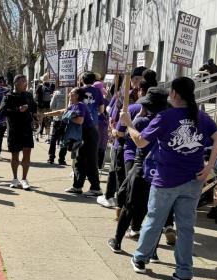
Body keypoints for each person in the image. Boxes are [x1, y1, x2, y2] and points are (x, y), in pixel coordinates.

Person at [120, 76, 217, 280]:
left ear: (174, 94)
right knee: (186, 227)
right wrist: (209, 166)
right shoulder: (201, 117)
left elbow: (140, 142)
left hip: (166, 179)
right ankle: (184, 271)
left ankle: (140, 258)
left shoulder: (166, 117)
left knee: (154, 221)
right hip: (193, 179)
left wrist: (128, 124)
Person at [108, 86, 169, 253]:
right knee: (154, 213)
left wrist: (128, 123)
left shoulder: (142, 122)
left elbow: (136, 140)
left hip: (141, 168)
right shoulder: (168, 122)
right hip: (160, 171)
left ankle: (117, 241)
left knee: (129, 206)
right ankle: (153, 250)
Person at [99, 68, 147, 207]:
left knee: (123, 176)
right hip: (124, 142)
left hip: (132, 144)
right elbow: (113, 116)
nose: (137, 83)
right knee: (117, 171)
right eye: (135, 79)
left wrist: (116, 130)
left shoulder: (149, 100)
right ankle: (112, 198)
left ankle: (122, 206)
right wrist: (114, 129)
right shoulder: (122, 96)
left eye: (140, 80)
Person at [69, 72, 104, 195]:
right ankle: (77, 185)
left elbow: (78, 119)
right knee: (79, 159)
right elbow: (101, 109)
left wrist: (68, 117)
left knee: (90, 160)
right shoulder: (98, 91)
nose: (70, 96)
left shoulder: (80, 98)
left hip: (88, 130)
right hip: (89, 127)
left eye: (72, 95)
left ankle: (96, 188)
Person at [3, 75, 36, 189]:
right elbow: (3, 111)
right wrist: (18, 110)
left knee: (27, 154)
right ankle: (15, 178)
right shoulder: (8, 96)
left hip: (27, 129)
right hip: (14, 129)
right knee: (15, 155)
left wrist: (37, 115)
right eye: (23, 82)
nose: (25, 84)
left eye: (26, 81)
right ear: (16, 83)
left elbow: (34, 108)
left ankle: (24, 179)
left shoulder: (28, 95)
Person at [46, 84, 69, 164]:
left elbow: (52, 105)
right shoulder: (71, 93)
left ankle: (51, 157)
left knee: (53, 138)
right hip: (67, 119)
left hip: (57, 118)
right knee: (64, 138)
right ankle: (62, 158)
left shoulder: (56, 93)